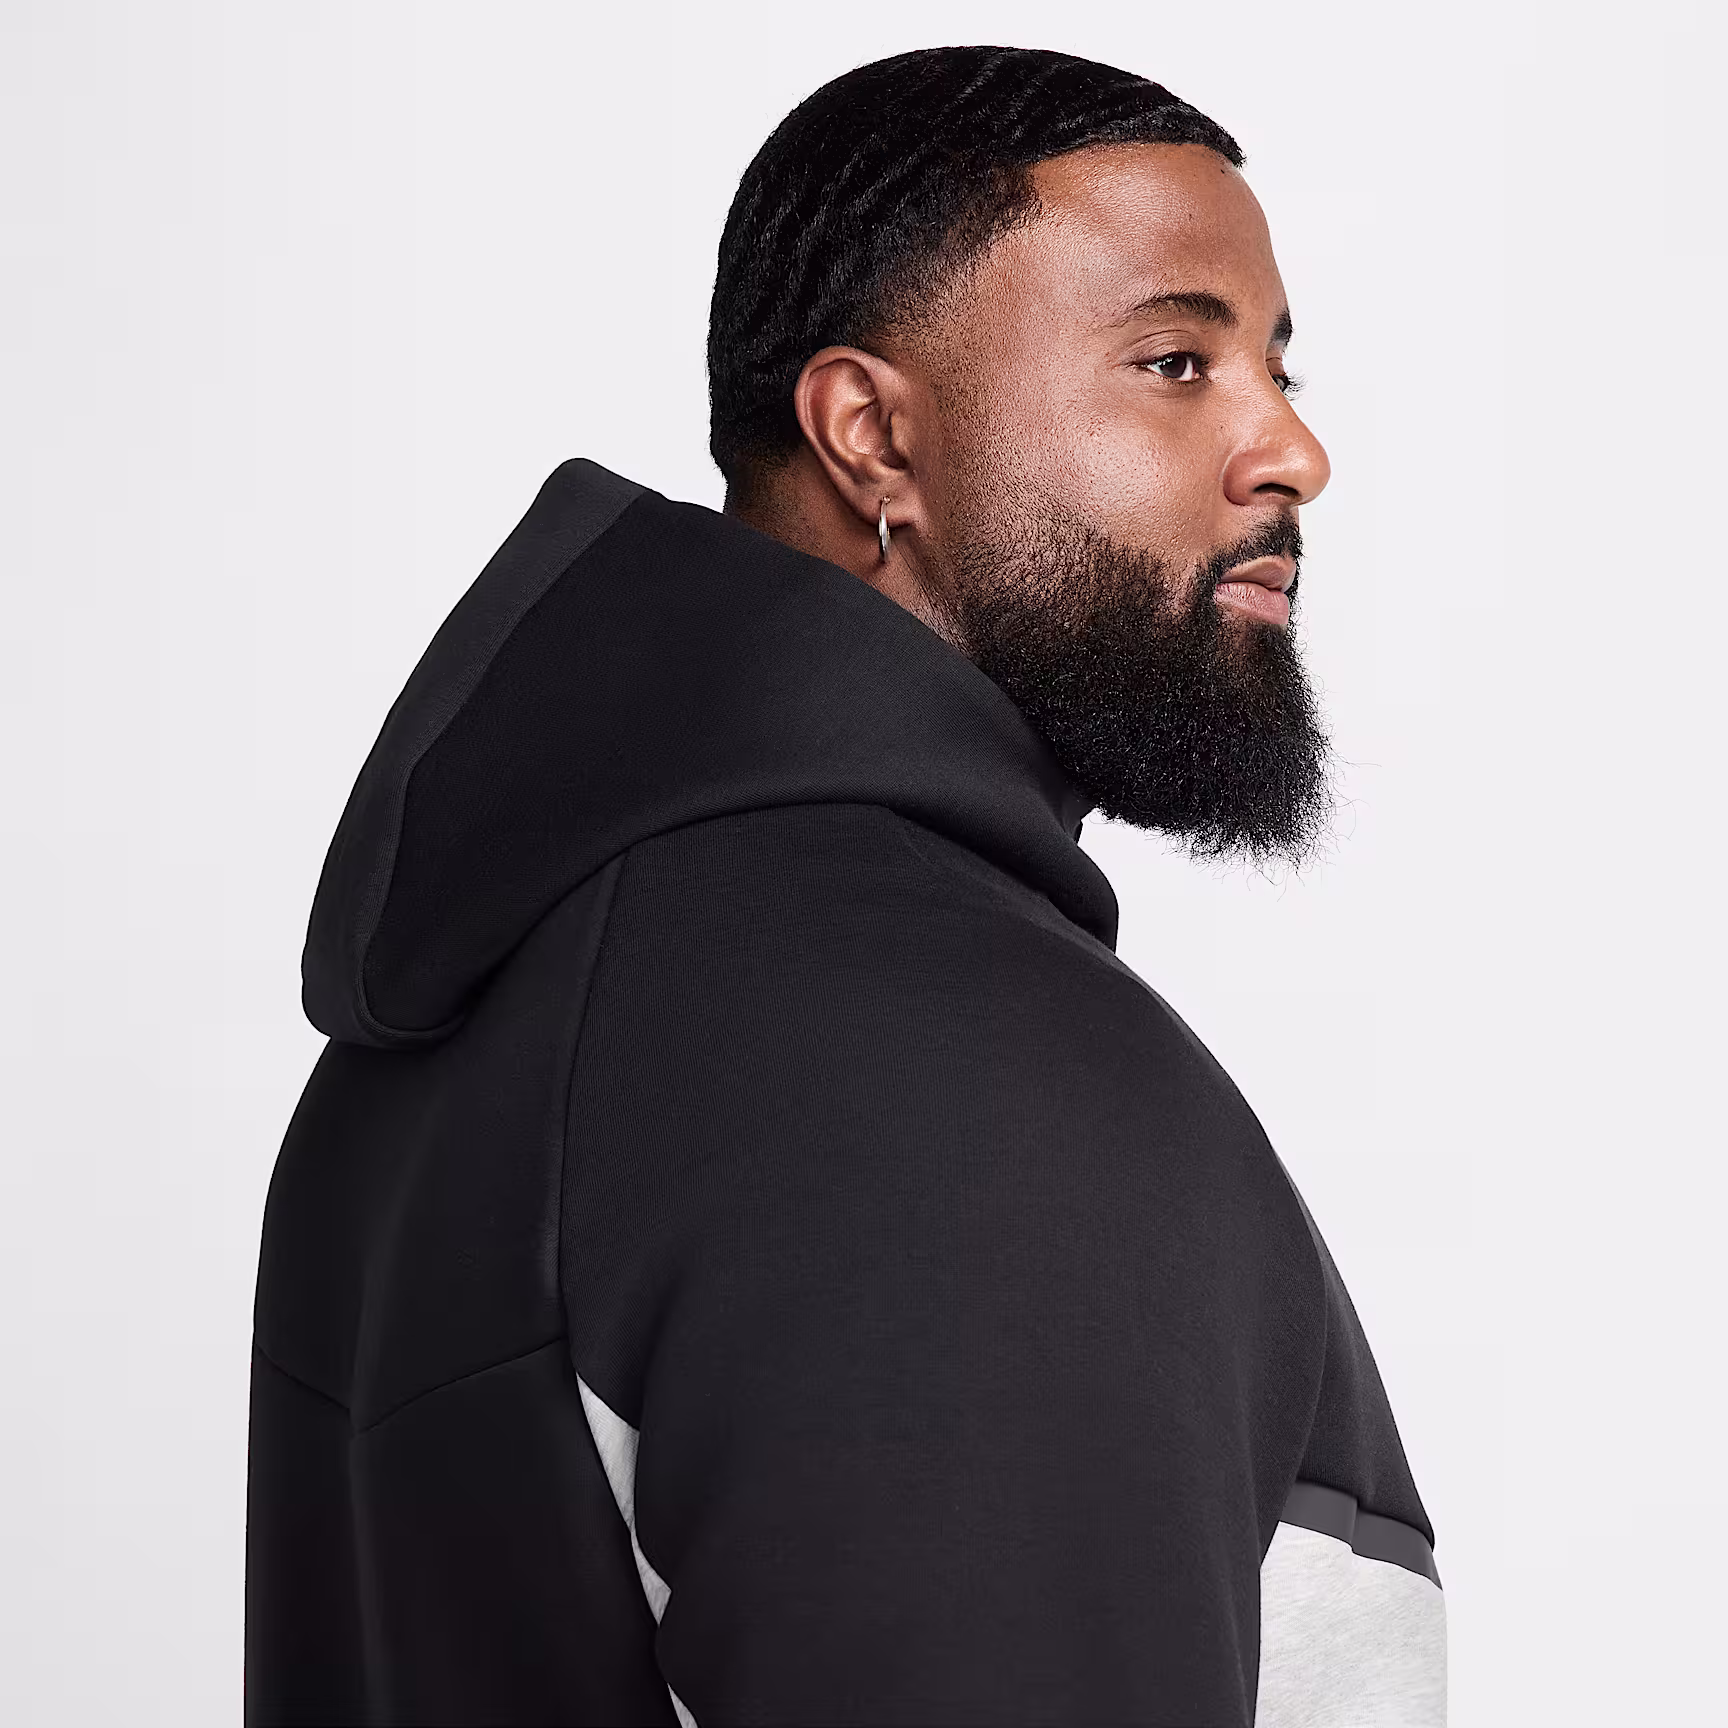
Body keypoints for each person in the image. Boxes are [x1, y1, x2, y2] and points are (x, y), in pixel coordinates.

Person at [245, 45, 1444, 1728]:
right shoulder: (946, 1074)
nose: (1291, 451)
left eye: (1276, 365)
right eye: (1177, 362)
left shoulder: (510, 995)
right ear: (874, 436)